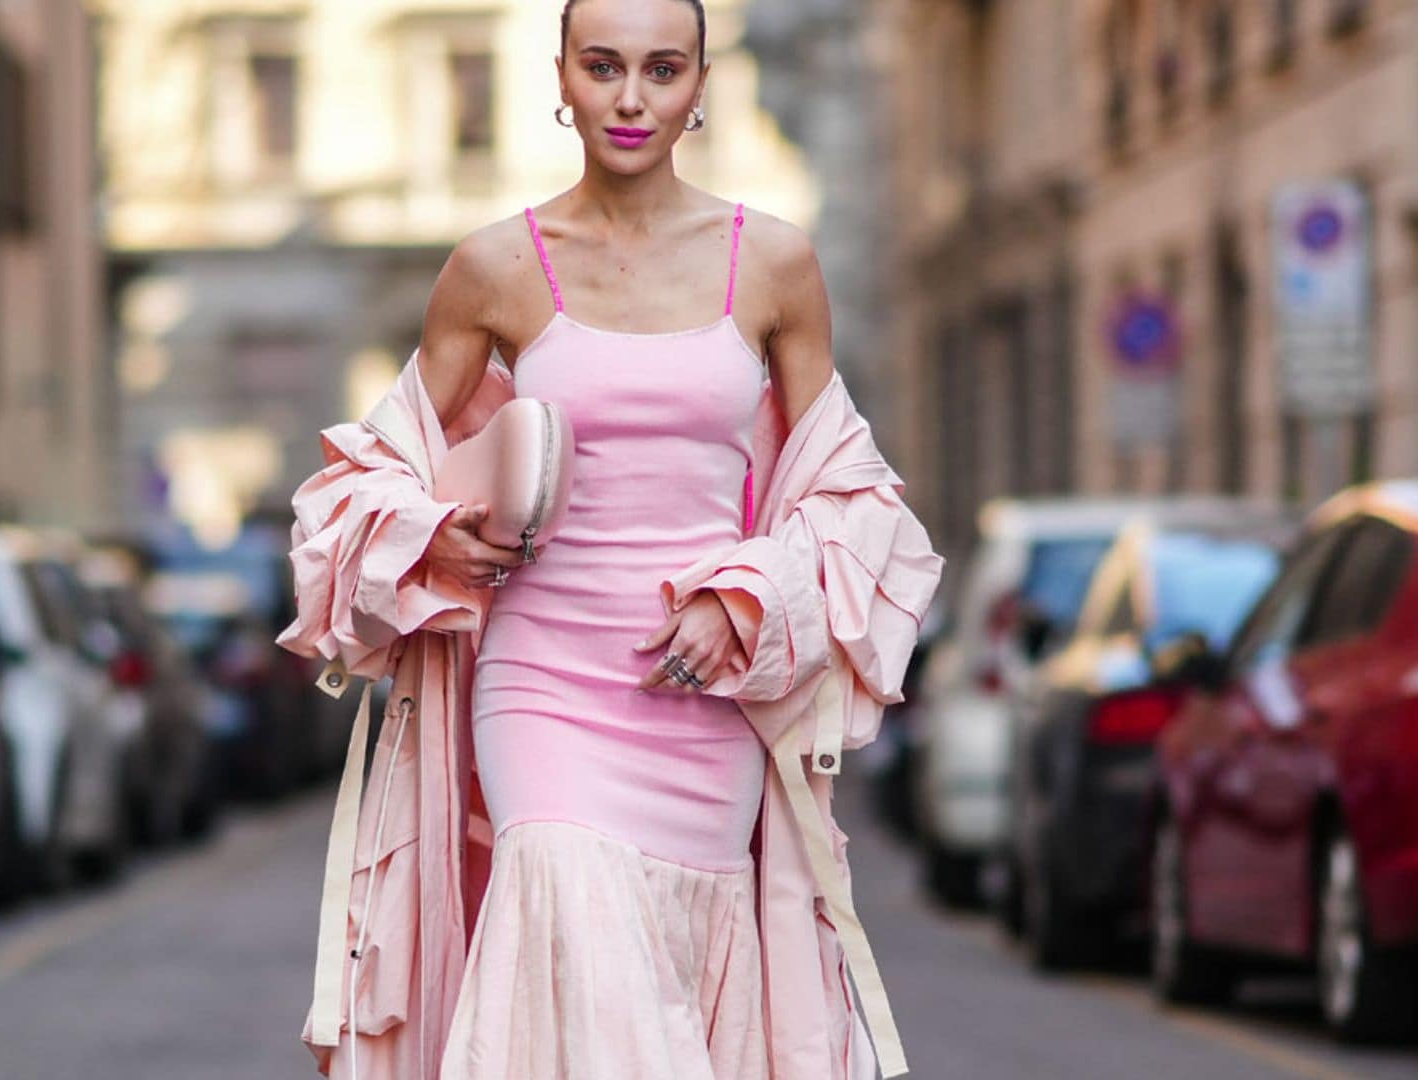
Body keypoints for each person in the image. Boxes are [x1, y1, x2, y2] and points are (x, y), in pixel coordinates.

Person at [278, 1, 943, 1077]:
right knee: (565, 917)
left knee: (663, 982)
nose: (631, 98)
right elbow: (365, 475)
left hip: (702, 704)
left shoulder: (773, 264)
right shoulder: (493, 268)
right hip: (542, 682)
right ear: (562, 77)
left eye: (661, 69)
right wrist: (438, 536)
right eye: (604, 67)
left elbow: (852, 498)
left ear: (699, 84)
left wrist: (748, 597)